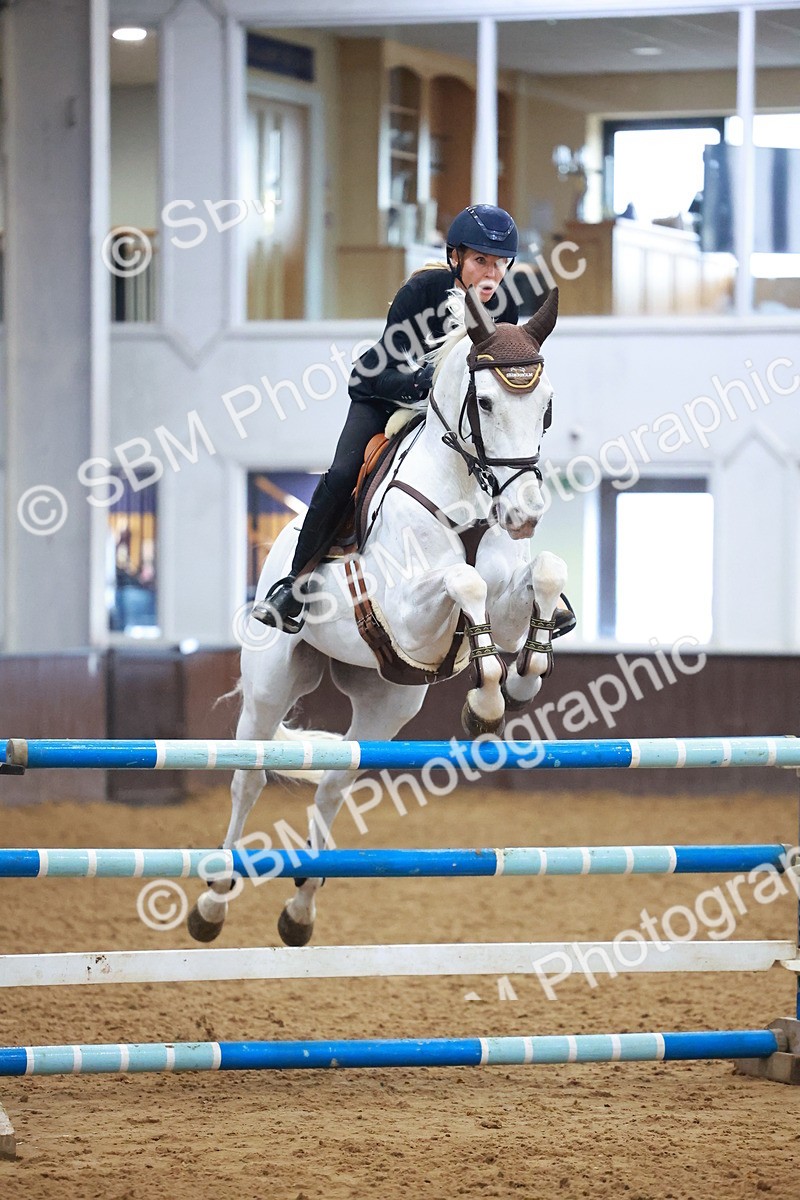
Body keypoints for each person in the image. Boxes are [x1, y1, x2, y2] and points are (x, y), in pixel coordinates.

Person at [252, 203, 521, 632]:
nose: (491, 275)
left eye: (500, 264)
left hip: (444, 415)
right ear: (456, 258)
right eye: (480, 261)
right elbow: (386, 367)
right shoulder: (422, 292)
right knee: (342, 474)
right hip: (384, 394)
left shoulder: (505, 308)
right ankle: (293, 586)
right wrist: (429, 384)